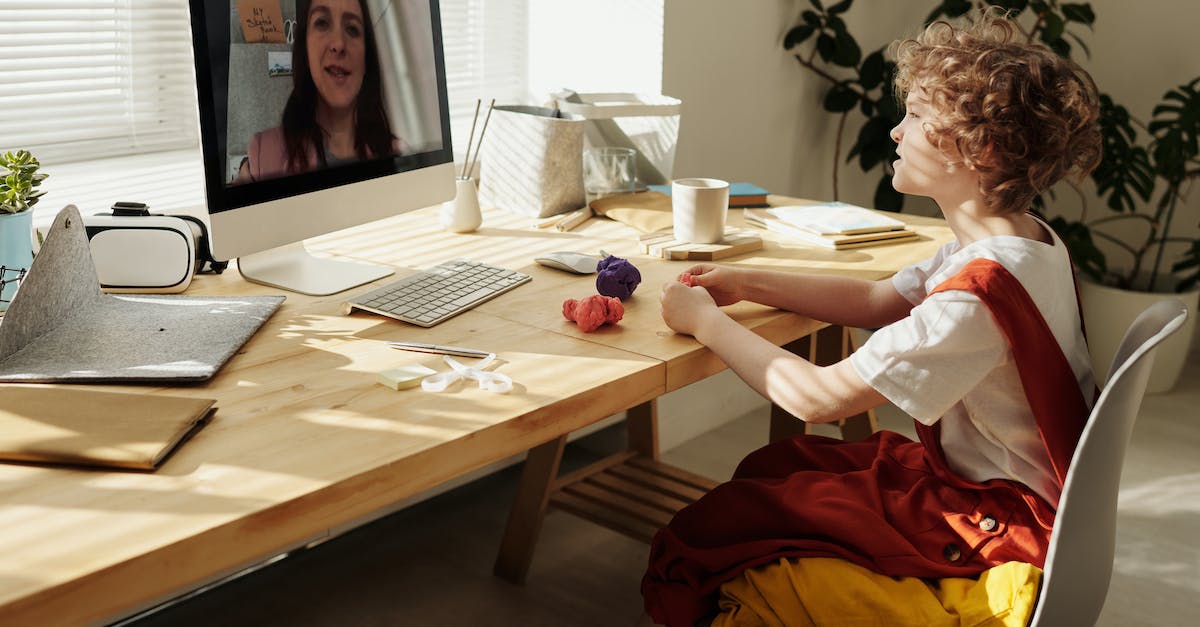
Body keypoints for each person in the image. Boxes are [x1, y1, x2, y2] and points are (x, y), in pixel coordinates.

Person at [641, 9, 1103, 626]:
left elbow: (817, 396)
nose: (895, 132)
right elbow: (877, 300)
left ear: (980, 149)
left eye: (914, 116)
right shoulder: (1023, 240)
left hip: (997, 518)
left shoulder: (975, 297)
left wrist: (706, 324)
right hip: (1009, 492)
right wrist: (745, 280)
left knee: (714, 530)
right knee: (779, 470)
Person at [236, 0, 405, 184]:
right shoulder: (262, 158)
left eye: (352, 29)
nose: (339, 43)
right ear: (306, 51)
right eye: (322, 22)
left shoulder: (403, 154)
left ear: (366, 60)